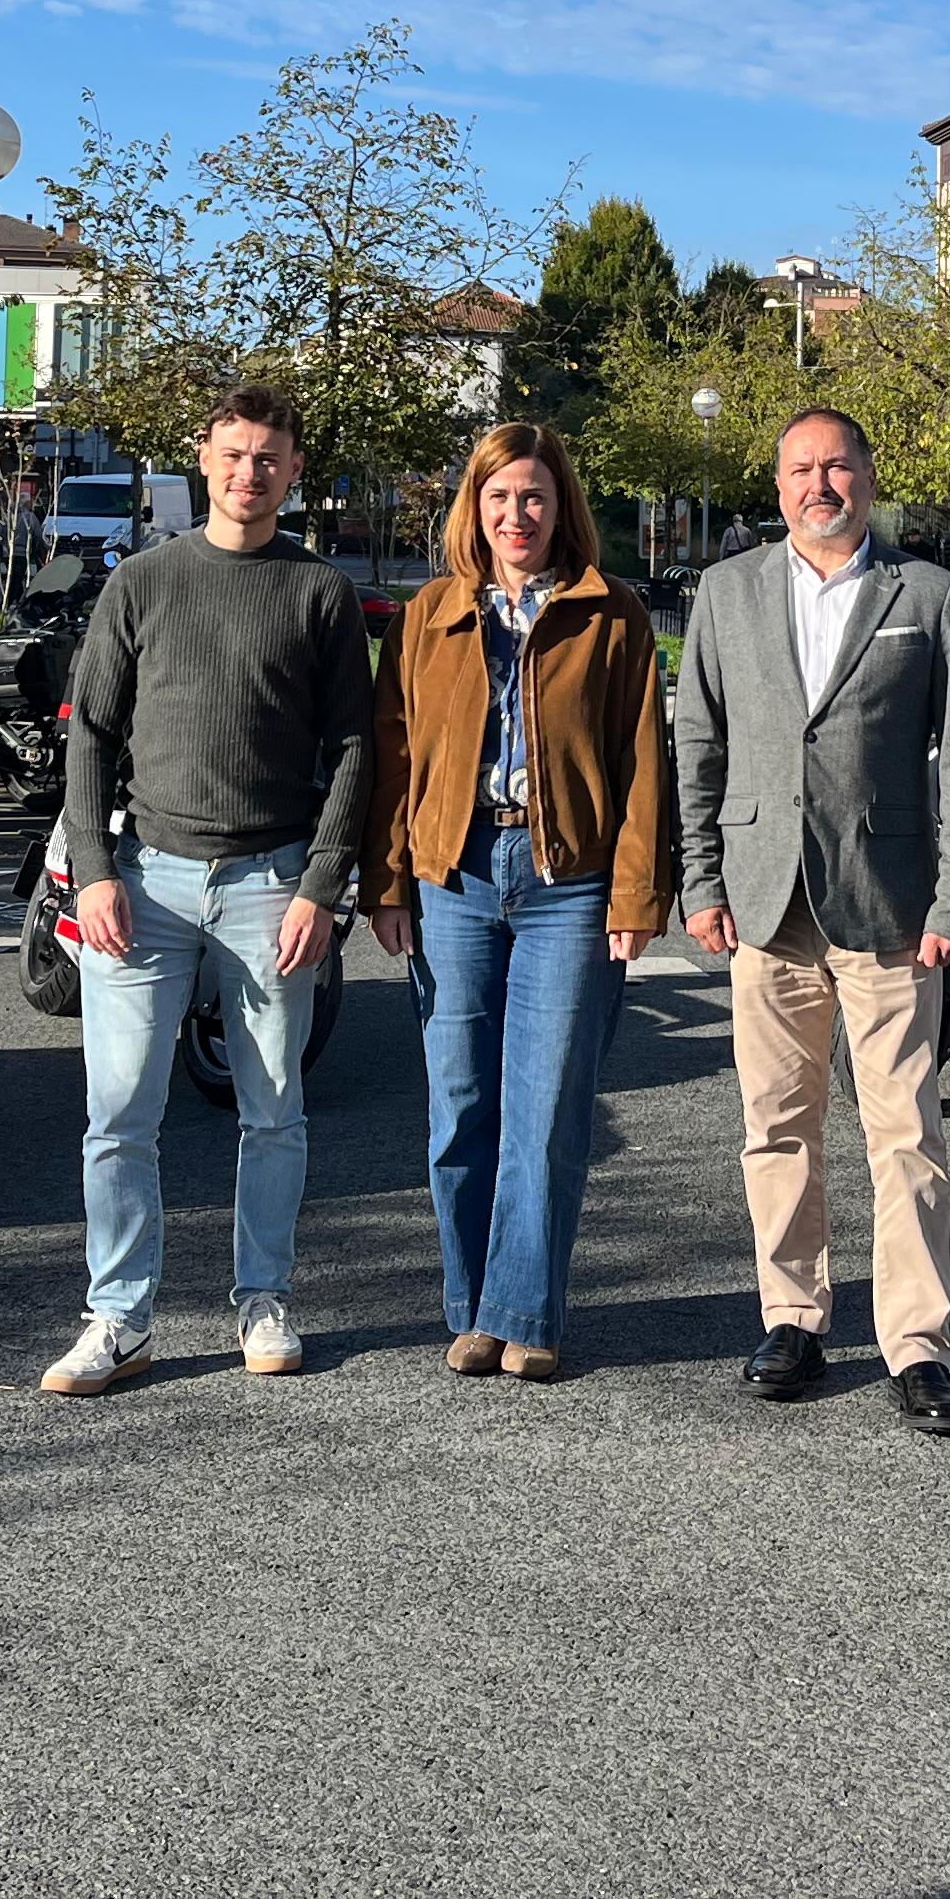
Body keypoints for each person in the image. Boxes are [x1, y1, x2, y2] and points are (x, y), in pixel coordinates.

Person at [673, 404, 950, 1437]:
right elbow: (698, 746)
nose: (822, 485)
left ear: (869, 476)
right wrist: (700, 880)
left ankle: (917, 1347)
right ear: (778, 490)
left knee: (905, 1131)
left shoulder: (931, 596)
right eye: (802, 470)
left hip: (891, 905)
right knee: (776, 1126)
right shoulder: (726, 595)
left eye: (839, 467)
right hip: (765, 900)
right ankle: (795, 1319)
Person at [43, 386, 373, 1396]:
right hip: (143, 881)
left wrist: (323, 884)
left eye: (268, 457)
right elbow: (91, 734)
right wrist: (94, 871)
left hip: (272, 884)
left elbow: (357, 748)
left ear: (294, 470)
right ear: (203, 458)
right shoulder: (142, 582)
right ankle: (118, 1317)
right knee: (119, 1115)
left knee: (273, 1113)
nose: (249, 472)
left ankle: (262, 1299)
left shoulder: (319, 592)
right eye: (233, 454)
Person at [364, 422, 673, 1383]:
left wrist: (636, 893)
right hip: (451, 878)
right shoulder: (428, 616)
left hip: (567, 885)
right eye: (499, 497)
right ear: (476, 508)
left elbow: (642, 766)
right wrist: (387, 881)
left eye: (533, 496)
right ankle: (471, 1309)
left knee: (544, 1108)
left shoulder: (611, 615)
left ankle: (526, 1312)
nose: (517, 514)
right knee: (460, 1103)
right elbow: (395, 756)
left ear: (559, 505)